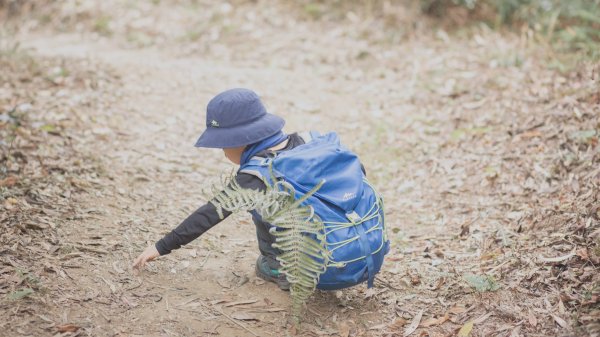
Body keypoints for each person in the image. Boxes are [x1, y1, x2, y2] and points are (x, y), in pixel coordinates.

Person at [133, 88, 388, 291]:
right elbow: (359, 171)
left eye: (222, 145)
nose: (223, 152)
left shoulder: (256, 175)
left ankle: (281, 269)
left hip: (319, 268)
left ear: (238, 141)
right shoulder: (313, 141)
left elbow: (211, 213)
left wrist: (161, 247)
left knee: (261, 205)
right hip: (363, 252)